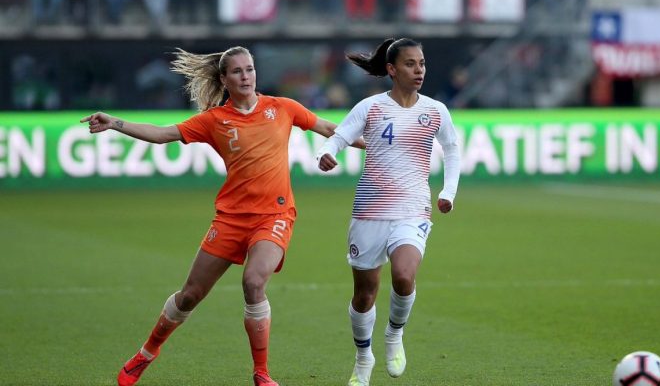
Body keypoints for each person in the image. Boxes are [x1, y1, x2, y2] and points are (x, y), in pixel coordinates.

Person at [80, 46, 363, 386]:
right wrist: (115, 123)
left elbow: (332, 129)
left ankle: (261, 374)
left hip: (274, 215)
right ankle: (146, 354)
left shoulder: (283, 108)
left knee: (254, 282)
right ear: (224, 79)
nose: (246, 76)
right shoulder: (214, 121)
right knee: (189, 296)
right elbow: (162, 134)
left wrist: (378, 143)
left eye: (250, 69)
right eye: (238, 71)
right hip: (230, 220)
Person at [315, 38, 461, 386]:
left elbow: (452, 150)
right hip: (369, 210)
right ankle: (363, 356)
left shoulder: (436, 110)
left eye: (422, 63)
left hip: (413, 209)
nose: (419, 70)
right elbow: (339, 136)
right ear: (392, 70)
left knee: (404, 276)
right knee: (365, 294)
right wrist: (326, 151)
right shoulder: (370, 107)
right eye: (411, 64)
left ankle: (394, 334)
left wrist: (448, 192)